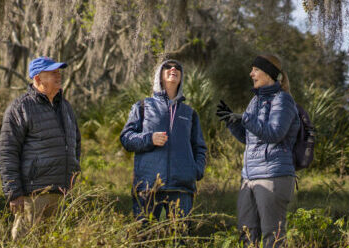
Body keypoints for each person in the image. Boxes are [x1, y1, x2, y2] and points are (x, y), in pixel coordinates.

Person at [216, 54, 300, 247]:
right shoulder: (254, 101)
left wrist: (245, 119)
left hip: (273, 176)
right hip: (249, 177)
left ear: (268, 73)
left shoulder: (283, 100)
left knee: (273, 236)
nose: (251, 74)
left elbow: (274, 133)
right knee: (246, 234)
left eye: (255, 70)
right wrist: (232, 123)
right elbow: (249, 139)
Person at [0, 56, 81, 240]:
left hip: (62, 193)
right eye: (53, 73)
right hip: (32, 195)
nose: (59, 76)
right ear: (37, 79)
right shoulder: (20, 108)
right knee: (26, 242)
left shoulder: (66, 107)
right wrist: (14, 193)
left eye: (58, 72)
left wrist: (73, 177)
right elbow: (7, 152)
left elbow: (76, 144)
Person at [120, 58, 207, 220]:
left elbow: (199, 147)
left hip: (182, 188)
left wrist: (195, 171)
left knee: (180, 235)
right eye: (168, 66)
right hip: (148, 185)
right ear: (159, 76)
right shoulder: (143, 106)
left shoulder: (189, 113)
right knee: (143, 233)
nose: (173, 69)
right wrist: (149, 139)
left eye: (177, 67)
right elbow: (126, 138)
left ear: (181, 77)